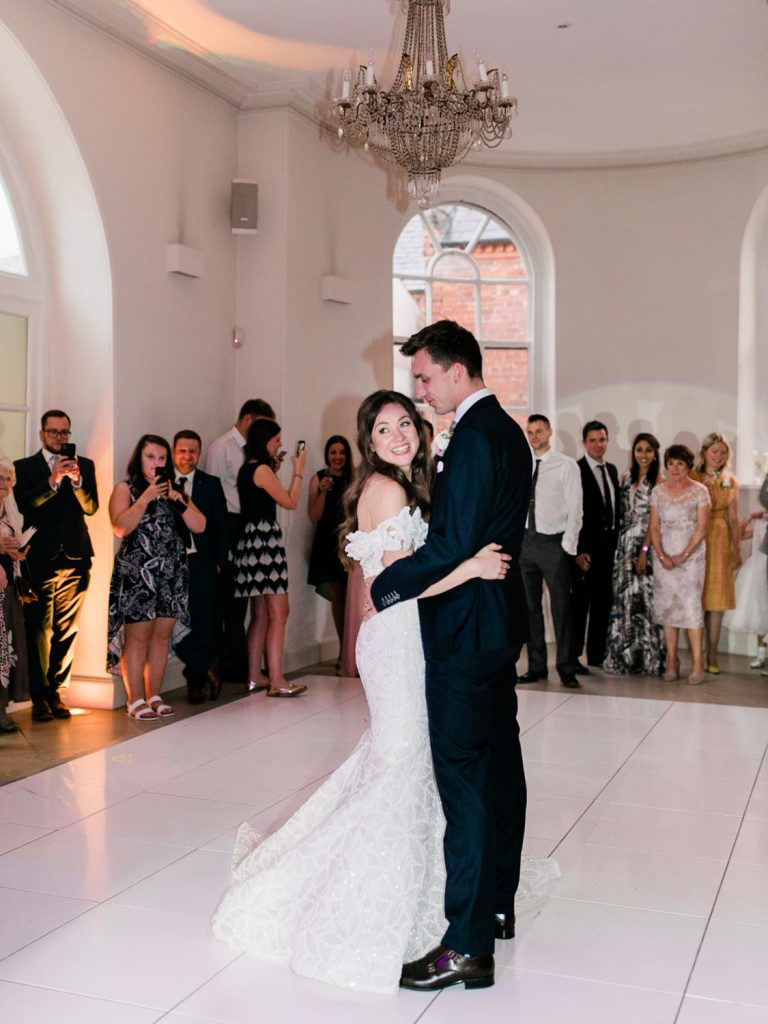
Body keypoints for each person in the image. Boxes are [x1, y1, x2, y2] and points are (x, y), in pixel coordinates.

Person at [211, 389, 544, 992]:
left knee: (408, 760)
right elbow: (395, 581)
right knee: (398, 760)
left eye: (403, 424)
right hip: (396, 640)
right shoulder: (385, 490)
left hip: (411, 637)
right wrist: (469, 568)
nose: (397, 435)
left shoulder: (409, 484)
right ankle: (360, 892)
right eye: (382, 429)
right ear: (368, 443)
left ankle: (425, 892)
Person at [370, 320, 532, 992]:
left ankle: (465, 946)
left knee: (464, 785)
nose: (422, 392)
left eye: (426, 377)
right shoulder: (511, 432)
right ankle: (497, 903)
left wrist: (387, 584)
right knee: (500, 769)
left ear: (457, 371)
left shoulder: (470, 441)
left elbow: (451, 545)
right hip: (496, 628)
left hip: (463, 634)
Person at [107, 434, 206, 721]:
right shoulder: (126, 488)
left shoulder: (175, 491)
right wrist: (146, 497)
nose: (157, 463)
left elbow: (200, 526)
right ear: (140, 459)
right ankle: (134, 699)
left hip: (171, 571)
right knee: (137, 636)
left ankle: (154, 695)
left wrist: (179, 500)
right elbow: (120, 527)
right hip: (138, 572)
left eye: (162, 458)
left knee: (162, 636)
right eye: (151, 457)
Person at [14, 409, 99, 722]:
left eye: (65, 433)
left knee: (68, 628)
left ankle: (57, 692)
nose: (60, 438)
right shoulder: (25, 468)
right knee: (37, 628)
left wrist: (77, 483)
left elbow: (91, 507)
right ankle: (38, 695)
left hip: (76, 557)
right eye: (53, 432)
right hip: (39, 557)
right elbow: (26, 505)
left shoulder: (84, 466)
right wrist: (53, 480)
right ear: (42, 434)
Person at [203, 398, 276, 682]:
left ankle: (237, 664)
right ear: (247, 419)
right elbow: (211, 491)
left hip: (245, 524)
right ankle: (216, 664)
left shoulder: (252, 453)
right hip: (226, 523)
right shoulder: (221, 448)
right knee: (222, 599)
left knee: (240, 601)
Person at [233, 419, 306, 697]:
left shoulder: (248, 469)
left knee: (261, 614)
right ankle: (277, 679)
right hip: (264, 542)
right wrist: (298, 472)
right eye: (276, 440)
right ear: (264, 441)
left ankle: (255, 675)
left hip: (252, 542)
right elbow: (290, 501)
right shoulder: (261, 470)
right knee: (279, 611)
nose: (280, 445)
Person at [519, 413, 583, 688]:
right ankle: (536, 666)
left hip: (553, 543)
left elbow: (576, 508)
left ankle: (567, 668)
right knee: (529, 608)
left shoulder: (566, 466)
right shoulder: (522, 464)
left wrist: (567, 547)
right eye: (530, 432)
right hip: (524, 542)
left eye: (539, 431)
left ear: (549, 432)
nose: (534, 436)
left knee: (561, 608)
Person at [172, 431, 229, 704]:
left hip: (202, 561)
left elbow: (221, 525)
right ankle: (208, 664)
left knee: (202, 624)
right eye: (182, 451)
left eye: (192, 451)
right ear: (174, 452)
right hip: (172, 563)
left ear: (200, 452)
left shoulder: (211, 484)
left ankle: (195, 684)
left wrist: (219, 562)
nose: (187, 456)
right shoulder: (163, 484)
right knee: (173, 625)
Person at [603, 433, 666, 675]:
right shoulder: (625, 477)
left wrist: (644, 551)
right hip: (623, 545)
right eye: (639, 450)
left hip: (644, 544)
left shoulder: (658, 482)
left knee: (644, 602)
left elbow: (654, 521)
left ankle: (649, 659)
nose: (643, 455)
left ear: (655, 453)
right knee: (623, 599)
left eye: (648, 450)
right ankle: (624, 658)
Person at [649, 444, 710, 685]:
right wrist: (662, 555)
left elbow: (702, 528)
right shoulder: (658, 491)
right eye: (671, 463)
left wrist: (683, 555)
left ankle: (697, 664)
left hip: (691, 557)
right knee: (667, 609)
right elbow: (654, 526)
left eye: (680, 464)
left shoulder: (699, 491)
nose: (675, 468)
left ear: (688, 466)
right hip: (664, 556)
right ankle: (672, 661)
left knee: (691, 608)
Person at [571, 420, 620, 671]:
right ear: (584, 443)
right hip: (585, 552)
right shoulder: (575, 470)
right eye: (592, 440)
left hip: (608, 550)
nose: (598, 445)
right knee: (579, 606)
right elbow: (570, 512)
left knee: (603, 603)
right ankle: (573, 657)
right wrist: (577, 551)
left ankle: (597, 656)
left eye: (602, 440)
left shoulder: (611, 470)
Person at [691, 433, 741, 674]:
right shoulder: (692, 476)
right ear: (704, 453)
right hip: (696, 538)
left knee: (717, 602)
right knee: (696, 599)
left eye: (723, 452)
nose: (719, 456)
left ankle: (712, 652)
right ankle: (696, 653)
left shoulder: (730, 480)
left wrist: (736, 549)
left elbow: (733, 517)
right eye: (715, 452)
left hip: (720, 541)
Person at [306, 435, 353, 652]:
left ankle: (353, 651)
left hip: (351, 541)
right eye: (333, 452)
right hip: (327, 544)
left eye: (342, 452)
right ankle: (344, 650)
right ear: (327, 455)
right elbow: (314, 515)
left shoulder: (354, 477)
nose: (338, 457)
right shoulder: (318, 478)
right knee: (338, 598)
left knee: (353, 598)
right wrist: (323, 491)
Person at [0, 457, 30, 733]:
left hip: (7, 581)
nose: (6, 485)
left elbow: (14, 537)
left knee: (6, 647)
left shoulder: (9, 506)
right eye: (1, 478)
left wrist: (16, 550)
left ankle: (2, 709)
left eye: (9, 479)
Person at [722, 508, 768, 666]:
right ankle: (761, 653)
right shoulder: (760, 522)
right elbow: (739, 535)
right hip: (757, 568)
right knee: (759, 610)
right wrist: (749, 517)